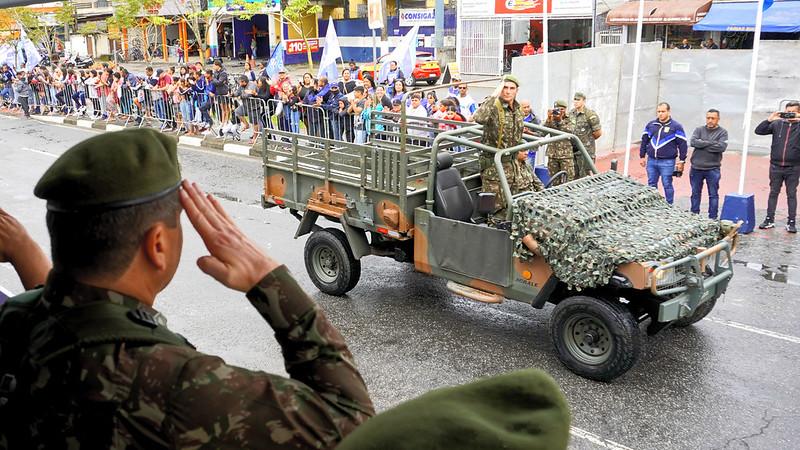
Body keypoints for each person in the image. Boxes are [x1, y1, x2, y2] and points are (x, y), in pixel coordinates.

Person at [0, 129, 375, 448]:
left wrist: (24, 252)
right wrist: (268, 278)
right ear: (158, 244)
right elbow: (352, 426)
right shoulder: (175, 384)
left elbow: (62, 318)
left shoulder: (17, 322)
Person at [472, 75, 544, 223]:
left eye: (512, 88)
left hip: (513, 165)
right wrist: (494, 94)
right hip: (494, 167)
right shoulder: (494, 107)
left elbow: (516, 136)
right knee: (497, 213)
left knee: (516, 209)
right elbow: (478, 117)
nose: (508, 92)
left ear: (517, 91)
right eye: (505, 88)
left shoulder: (517, 110)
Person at [755, 101, 800, 233]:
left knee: (791, 194)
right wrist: (770, 119)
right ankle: (769, 219)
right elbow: (759, 131)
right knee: (773, 193)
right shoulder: (777, 124)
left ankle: (791, 222)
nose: (789, 114)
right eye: (787, 111)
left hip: (794, 167)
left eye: (792, 112)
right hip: (776, 166)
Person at [639, 102, 687, 205]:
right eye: (659, 111)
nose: (660, 114)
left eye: (663, 111)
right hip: (651, 160)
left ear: (668, 112)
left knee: (667, 184)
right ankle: (653, 204)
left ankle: (669, 205)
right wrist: (642, 156)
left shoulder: (676, 126)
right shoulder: (651, 125)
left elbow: (682, 144)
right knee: (651, 184)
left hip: (668, 162)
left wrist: (682, 160)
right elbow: (644, 141)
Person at [689, 109, 728, 219]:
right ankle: (694, 215)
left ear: (718, 119)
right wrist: (712, 143)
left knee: (713, 194)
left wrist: (702, 143)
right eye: (708, 118)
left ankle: (713, 218)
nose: (710, 120)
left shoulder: (722, 132)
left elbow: (721, 147)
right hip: (696, 167)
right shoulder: (699, 130)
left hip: (713, 168)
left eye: (713, 118)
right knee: (695, 193)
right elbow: (693, 142)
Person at [568, 92, 602, 178]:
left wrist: (586, 140)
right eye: (575, 100)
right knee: (573, 176)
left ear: (584, 101)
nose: (576, 102)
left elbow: (598, 133)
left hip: (585, 151)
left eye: (578, 100)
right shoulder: (571, 113)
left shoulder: (590, 115)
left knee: (585, 176)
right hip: (573, 150)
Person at [544, 100, 576, 186]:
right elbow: (543, 132)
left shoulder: (570, 118)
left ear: (566, 109)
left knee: (569, 180)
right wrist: (548, 120)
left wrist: (559, 121)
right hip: (553, 154)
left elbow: (571, 131)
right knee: (554, 180)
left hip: (566, 155)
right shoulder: (552, 118)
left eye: (562, 109)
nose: (560, 111)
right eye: (558, 109)